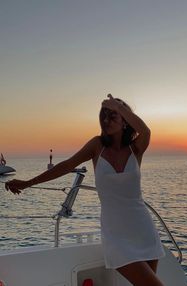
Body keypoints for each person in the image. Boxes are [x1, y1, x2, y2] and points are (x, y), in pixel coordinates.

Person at [5, 94, 165, 286]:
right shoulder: (97, 146)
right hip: (117, 235)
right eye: (103, 115)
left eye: (112, 115)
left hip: (143, 229)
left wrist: (118, 106)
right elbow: (65, 165)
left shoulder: (135, 148)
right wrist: (28, 182)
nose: (106, 120)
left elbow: (145, 131)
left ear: (125, 121)